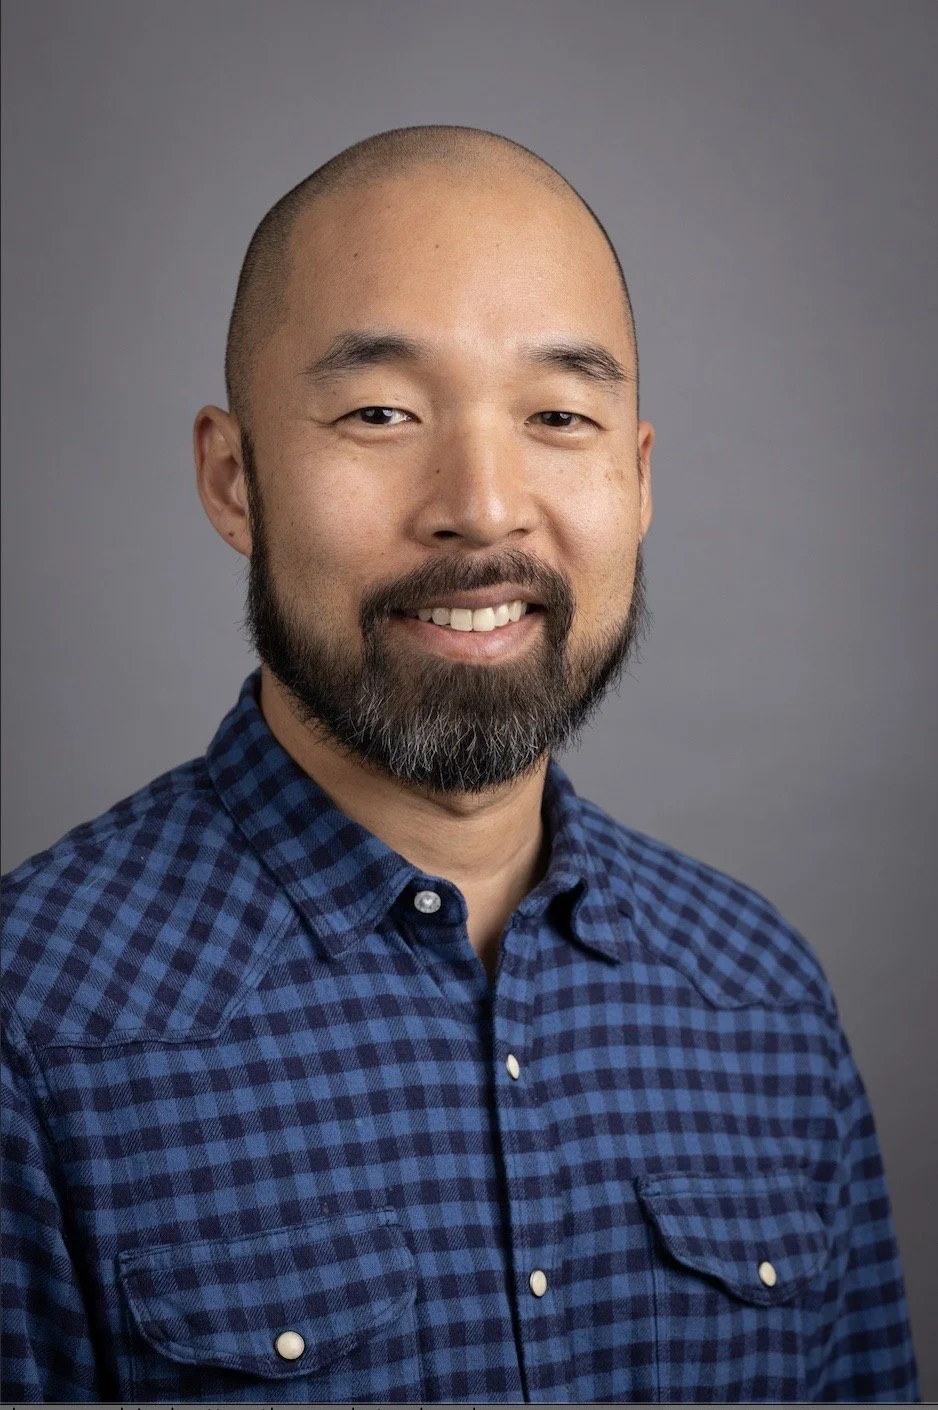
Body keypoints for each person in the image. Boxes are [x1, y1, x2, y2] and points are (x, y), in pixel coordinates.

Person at [1, 124, 919, 1404]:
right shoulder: (34, 1024)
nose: (482, 505)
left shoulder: (760, 1003)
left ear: (635, 480)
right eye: (380, 411)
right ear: (233, 480)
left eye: (557, 414)